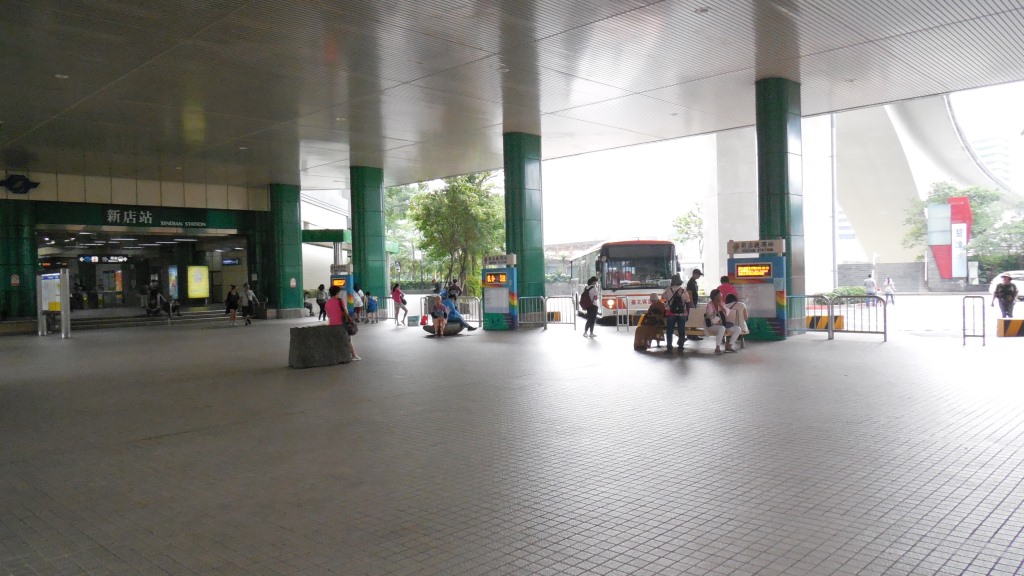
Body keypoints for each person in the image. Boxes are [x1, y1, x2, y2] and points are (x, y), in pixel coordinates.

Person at [326, 285, 360, 360]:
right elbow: (346, 312)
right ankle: (354, 355)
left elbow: (328, 315)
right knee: (348, 340)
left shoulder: (327, 303)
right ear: (337, 292)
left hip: (332, 325)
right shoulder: (340, 301)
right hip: (341, 324)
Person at [705, 288, 740, 355]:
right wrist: (718, 322)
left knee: (738, 329)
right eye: (720, 295)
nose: (722, 296)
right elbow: (710, 316)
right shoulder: (709, 304)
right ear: (716, 297)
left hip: (722, 324)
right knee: (722, 328)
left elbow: (726, 313)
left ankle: (729, 346)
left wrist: (720, 305)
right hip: (711, 325)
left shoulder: (722, 303)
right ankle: (717, 348)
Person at [661, 275, 691, 352]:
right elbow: (688, 302)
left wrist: (667, 303)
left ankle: (669, 346)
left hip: (671, 313)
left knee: (669, 331)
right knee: (681, 331)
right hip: (682, 313)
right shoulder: (683, 290)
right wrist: (688, 313)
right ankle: (680, 346)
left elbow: (663, 299)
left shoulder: (668, 290)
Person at [686, 268, 703, 340]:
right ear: (694, 274)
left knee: (693, 318)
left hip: (694, 302)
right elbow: (689, 293)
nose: (699, 276)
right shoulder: (690, 282)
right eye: (698, 275)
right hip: (691, 303)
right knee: (693, 318)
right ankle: (692, 334)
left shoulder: (694, 282)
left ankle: (692, 334)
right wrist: (692, 303)